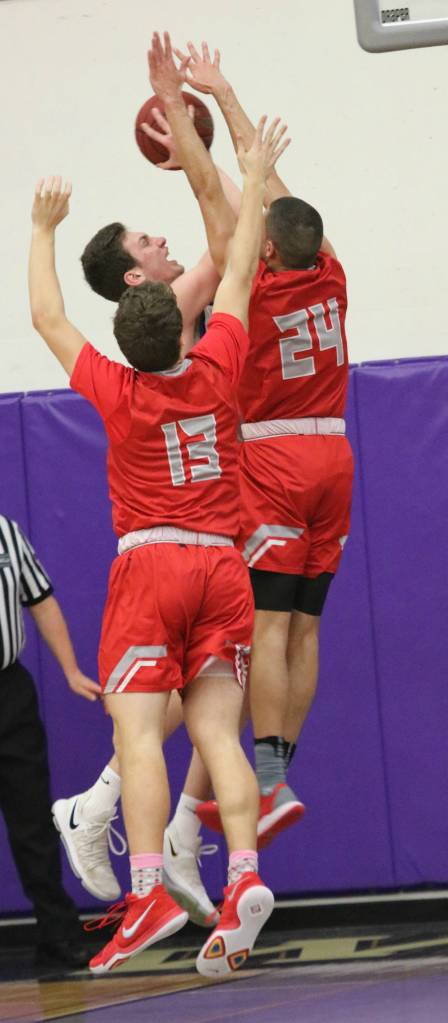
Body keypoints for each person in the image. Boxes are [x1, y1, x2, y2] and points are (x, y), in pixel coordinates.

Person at [28, 29, 289, 976]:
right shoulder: (219, 356)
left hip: (154, 557)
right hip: (223, 561)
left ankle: (143, 890)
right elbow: (243, 257)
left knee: (139, 728)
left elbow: (49, 318)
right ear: (161, 298)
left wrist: (43, 228)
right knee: (218, 729)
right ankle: (244, 867)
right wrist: (245, 163)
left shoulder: (114, 387)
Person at [174, 41, 354, 845]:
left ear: (268, 249)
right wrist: (232, 97)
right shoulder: (332, 271)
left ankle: (272, 782)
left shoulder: (254, 282)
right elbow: (277, 199)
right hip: (335, 455)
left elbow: (221, 193)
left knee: (270, 627)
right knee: (307, 625)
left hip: (275, 458)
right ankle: (283, 765)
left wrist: (187, 121)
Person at [0, 514, 97, 968]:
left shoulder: (5, 531)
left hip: (8, 691)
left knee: (32, 818)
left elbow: (40, 600)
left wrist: (71, 669)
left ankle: (57, 932)